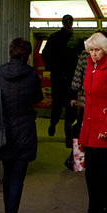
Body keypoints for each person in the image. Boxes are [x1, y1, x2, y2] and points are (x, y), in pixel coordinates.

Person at [0, 38, 43, 213]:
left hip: (3, 133)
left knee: (8, 176)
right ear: (27, 55)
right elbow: (38, 98)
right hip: (25, 132)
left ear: (10, 53)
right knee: (17, 178)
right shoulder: (32, 77)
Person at [77, 32, 107, 213]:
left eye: (98, 50)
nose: (94, 54)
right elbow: (87, 99)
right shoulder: (90, 67)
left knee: (101, 171)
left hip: (103, 127)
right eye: (92, 50)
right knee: (90, 171)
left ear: (106, 50)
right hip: (89, 126)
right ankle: (94, 209)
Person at [40, 14, 80, 142]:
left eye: (70, 23)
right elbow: (45, 54)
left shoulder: (75, 39)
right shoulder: (56, 38)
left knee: (70, 105)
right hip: (60, 76)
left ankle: (68, 132)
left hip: (69, 77)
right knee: (57, 103)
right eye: (66, 23)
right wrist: (53, 67)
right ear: (63, 23)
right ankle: (54, 123)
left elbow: (83, 57)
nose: (68, 25)